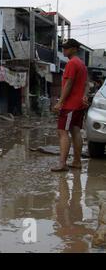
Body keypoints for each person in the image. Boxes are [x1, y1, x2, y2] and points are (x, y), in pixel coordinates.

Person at [51, 39, 89, 172]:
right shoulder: (82, 64)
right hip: (79, 104)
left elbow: (69, 83)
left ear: (74, 49)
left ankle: (62, 164)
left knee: (62, 132)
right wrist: (84, 96)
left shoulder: (72, 63)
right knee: (75, 130)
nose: (64, 50)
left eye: (67, 48)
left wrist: (60, 102)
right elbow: (86, 84)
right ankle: (77, 161)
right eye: (63, 47)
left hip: (70, 105)